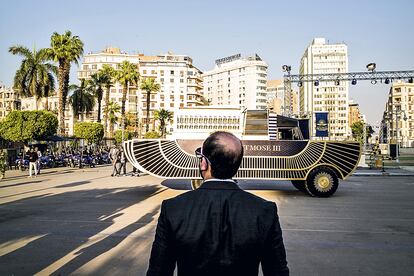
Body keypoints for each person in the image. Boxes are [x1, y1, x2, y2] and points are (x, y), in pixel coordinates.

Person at [147, 131, 289, 276]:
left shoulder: (173, 209)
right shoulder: (264, 211)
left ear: (204, 163)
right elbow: (277, 271)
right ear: (237, 165)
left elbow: (158, 271)